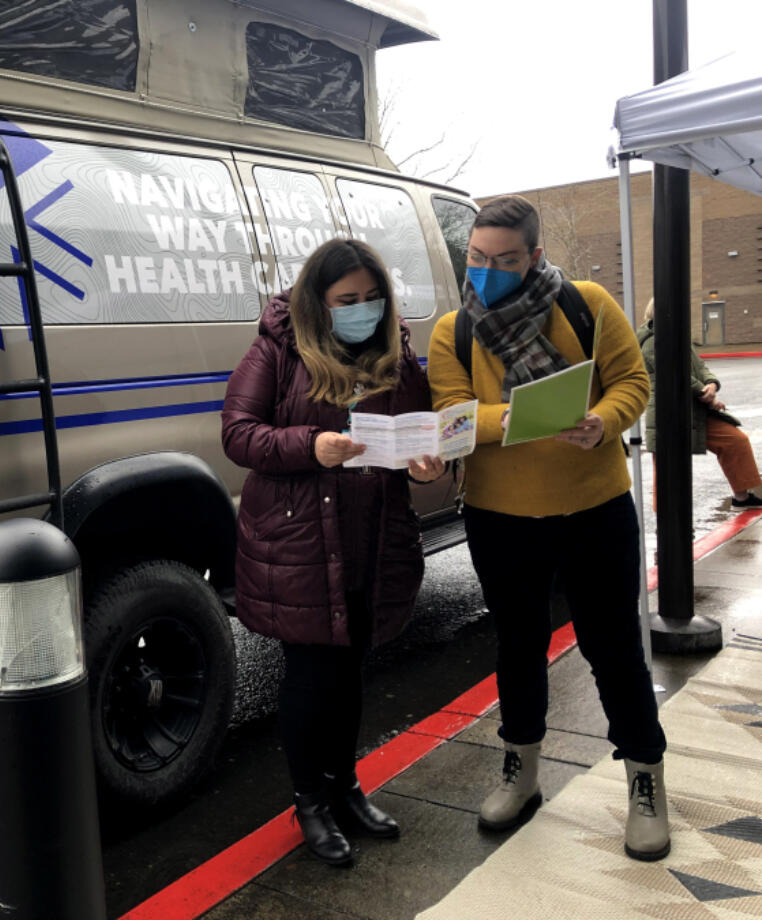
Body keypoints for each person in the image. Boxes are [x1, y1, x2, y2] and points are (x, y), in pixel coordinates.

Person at [427, 195, 670, 861]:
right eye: (477, 259)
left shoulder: (586, 302)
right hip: (501, 519)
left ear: (534, 256)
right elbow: (449, 416)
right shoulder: (453, 330)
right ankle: (522, 770)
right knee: (517, 646)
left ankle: (645, 779)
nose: (488, 271)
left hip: (594, 510)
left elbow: (632, 382)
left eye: (505, 260)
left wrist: (603, 422)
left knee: (615, 648)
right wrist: (504, 419)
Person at [222, 239, 446, 867]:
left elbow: (419, 433)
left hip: (371, 536)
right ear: (318, 302)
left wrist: (428, 467)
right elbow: (238, 434)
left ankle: (346, 788)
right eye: (348, 300)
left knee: (350, 674)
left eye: (373, 298)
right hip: (300, 540)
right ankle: (309, 802)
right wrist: (308, 445)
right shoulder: (279, 347)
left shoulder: (395, 353)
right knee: (311, 678)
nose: (364, 310)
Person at [637, 298, 762, 508]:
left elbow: (700, 365)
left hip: (694, 408)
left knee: (735, 441)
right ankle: (666, 524)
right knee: (668, 469)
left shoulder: (679, 336)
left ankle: (742, 497)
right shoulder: (651, 340)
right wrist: (706, 394)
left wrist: (711, 384)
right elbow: (672, 373)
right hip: (667, 412)